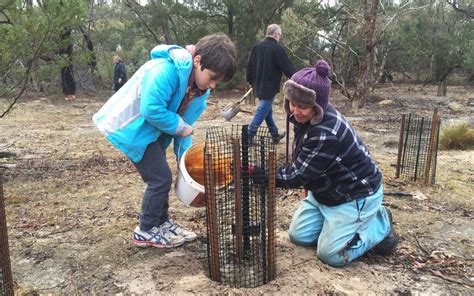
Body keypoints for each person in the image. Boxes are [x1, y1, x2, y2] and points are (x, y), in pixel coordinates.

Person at [93, 33, 237, 248]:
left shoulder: (199, 92)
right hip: (130, 128)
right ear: (197, 61)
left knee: (163, 175)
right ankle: (146, 230)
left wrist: (184, 161)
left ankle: (161, 222)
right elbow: (151, 110)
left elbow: (183, 130)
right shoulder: (165, 70)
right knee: (159, 179)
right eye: (213, 77)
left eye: (219, 81)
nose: (214, 85)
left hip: (152, 131)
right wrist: (180, 127)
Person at [274, 60, 398, 267]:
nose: (295, 111)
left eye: (303, 106)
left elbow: (297, 175)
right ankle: (336, 225)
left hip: (354, 195)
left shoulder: (326, 132)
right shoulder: (306, 119)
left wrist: (260, 174)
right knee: (299, 237)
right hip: (326, 192)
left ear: (318, 106)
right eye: (292, 104)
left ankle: (380, 223)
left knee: (330, 255)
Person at [246, 24, 296, 144]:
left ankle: (275, 135)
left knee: (267, 110)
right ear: (275, 34)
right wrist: (298, 78)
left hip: (257, 84)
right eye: (280, 35)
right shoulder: (277, 49)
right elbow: (288, 67)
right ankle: (248, 135)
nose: (280, 37)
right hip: (270, 85)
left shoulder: (256, 46)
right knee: (263, 109)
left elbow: (249, 65)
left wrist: (250, 81)